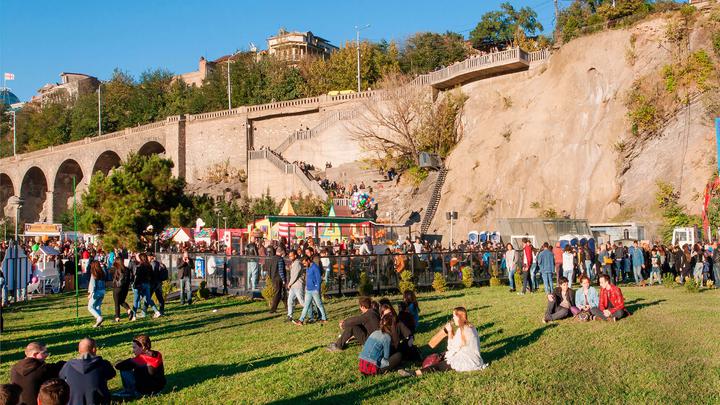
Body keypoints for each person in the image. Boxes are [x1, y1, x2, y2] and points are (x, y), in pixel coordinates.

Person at [398, 307, 487, 376]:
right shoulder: (471, 326)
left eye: (454, 316)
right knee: (442, 355)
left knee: (439, 366)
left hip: (468, 361)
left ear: (459, 317)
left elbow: (451, 348)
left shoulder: (462, 330)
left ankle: (414, 373)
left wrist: (449, 332)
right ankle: (420, 365)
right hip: (475, 358)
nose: (453, 318)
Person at [59, 338, 116, 405]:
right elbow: (112, 374)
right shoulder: (103, 364)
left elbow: (61, 378)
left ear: (79, 350)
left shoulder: (68, 365)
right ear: (94, 349)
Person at [293, 256, 328, 325]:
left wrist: (317, 289)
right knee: (306, 306)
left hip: (314, 290)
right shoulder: (308, 268)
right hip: (308, 290)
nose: (304, 265)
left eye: (305, 263)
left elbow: (319, 279)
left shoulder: (315, 268)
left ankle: (324, 318)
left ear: (308, 260)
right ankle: (301, 320)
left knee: (319, 305)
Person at [132, 253, 162, 320]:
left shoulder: (139, 266)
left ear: (140, 259)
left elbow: (137, 277)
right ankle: (157, 312)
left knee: (136, 300)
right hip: (147, 284)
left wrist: (135, 285)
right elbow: (152, 276)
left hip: (140, 285)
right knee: (148, 299)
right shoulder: (149, 266)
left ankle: (133, 316)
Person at [286, 250, 305, 322]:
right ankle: (289, 315)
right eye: (289, 256)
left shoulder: (297, 263)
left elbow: (295, 275)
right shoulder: (294, 263)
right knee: (290, 300)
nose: (290, 257)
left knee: (302, 301)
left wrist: (289, 283)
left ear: (295, 256)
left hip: (298, 285)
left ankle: (312, 311)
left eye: (291, 256)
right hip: (293, 286)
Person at [87, 261, 106, 327]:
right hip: (102, 291)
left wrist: (90, 294)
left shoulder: (93, 274)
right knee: (97, 307)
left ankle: (98, 318)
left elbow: (93, 285)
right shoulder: (102, 273)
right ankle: (99, 323)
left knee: (90, 307)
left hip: (96, 292)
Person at [269, 246, 287, 314]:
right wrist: (283, 279)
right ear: (281, 252)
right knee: (278, 294)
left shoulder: (272, 258)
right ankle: (273, 309)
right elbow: (281, 270)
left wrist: (270, 277)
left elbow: (269, 269)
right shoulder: (280, 259)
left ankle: (287, 306)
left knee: (280, 293)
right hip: (278, 279)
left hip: (273, 278)